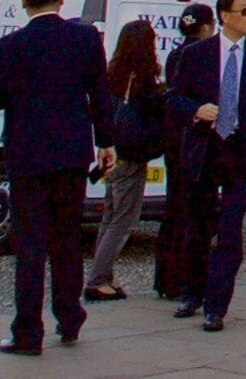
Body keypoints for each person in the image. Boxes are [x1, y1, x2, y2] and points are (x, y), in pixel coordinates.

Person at [0, 0, 110, 356]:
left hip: (28, 157)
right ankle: (69, 319)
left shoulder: (8, 47)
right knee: (66, 241)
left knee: (30, 246)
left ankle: (27, 332)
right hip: (70, 155)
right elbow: (100, 95)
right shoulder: (85, 39)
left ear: (23, 1)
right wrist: (107, 142)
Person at [161, 0, 246, 332]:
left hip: (241, 149)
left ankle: (217, 305)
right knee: (198, 226)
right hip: (205, 148)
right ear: (225, 16)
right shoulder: (199, 53)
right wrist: (196, 109)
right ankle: (193, 292)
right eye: (245, 11)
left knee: (230, 230)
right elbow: (173, 98)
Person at [84, 17, 166, 302]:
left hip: (114, 153)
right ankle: (98, 279)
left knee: (110, 216)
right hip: (132, 155)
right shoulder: (143, 80)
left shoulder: (113, 74)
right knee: (123, 220)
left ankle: (102, 276)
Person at [150, 3, 214, 304]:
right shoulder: (200, 55)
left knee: (173, 209)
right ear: (205, 27)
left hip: (172, 137)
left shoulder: (176, 54)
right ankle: (179, 277)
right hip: (189, 139)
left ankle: (165, 275)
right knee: (188, 210)